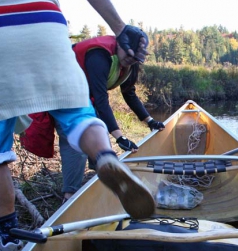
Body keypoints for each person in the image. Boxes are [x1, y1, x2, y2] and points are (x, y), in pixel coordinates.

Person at [0, 0, 156, 251]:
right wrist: (120, 26)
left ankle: (7, 236)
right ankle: (104, 156)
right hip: (46, 19)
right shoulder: (102, 55)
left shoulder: (120, 65)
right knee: (77, 116)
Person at [59, 33, 166, 201]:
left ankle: (101, 181)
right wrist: (120, 137)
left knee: (98, 137)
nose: (131, 60)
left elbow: (129, 93)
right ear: (120, 45)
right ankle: (69, 196)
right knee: (76, 136)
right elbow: (101, 100)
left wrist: (149, 121)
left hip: (88, 94)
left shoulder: (130, 62)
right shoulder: (99, 56)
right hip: (64, 88)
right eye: (129, 55)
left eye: (136, 58)